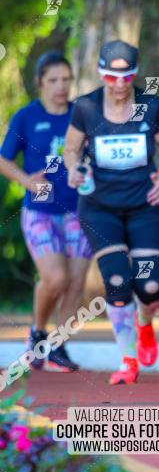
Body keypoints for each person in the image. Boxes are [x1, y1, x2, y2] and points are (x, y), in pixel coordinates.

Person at [63, 39, 159, 385]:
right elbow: (71, 149)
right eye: (111, 77)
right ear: (101, 74)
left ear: (134, 75)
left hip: (145, 206)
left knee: (150, 286)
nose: (118, 85)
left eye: (126, 77)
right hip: (99, 208)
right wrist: (73, 169)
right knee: (116, 280)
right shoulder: (86, 107)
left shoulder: (150, 105)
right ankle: (128, 360)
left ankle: (145, 323)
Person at [0, 51, 92, 372]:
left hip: (78, 210)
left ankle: (57, 347)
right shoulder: (26, 117)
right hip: (39, 211)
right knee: (56, 278)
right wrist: (26, 181)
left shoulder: (81, 114)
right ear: (40, 82)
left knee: (77, 284)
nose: (60, 87)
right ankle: (37, 333)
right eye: (53, 80)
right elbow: (3, 159)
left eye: (66, 80)